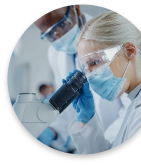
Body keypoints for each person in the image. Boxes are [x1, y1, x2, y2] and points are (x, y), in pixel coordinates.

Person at [34, 5, 132, 153]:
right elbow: (66, 111)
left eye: (62, 24)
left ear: (76, 9)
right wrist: (52, 131)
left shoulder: (111, 36)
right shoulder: (54, 53)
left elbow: (132, 108)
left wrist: (101, 144)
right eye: (50, 34)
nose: (59, 36)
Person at [65, 11, 141, 154]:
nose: (88, 75)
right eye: (85, 67)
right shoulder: (138, 100)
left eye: (94, 62)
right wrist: (87, 119)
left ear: (129, 52)